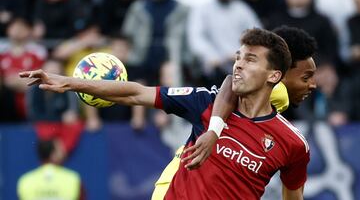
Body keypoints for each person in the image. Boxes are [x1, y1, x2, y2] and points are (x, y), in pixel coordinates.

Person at [20, 28, 307, 199]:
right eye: (237, 57)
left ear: (274, 76)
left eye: (250, 59)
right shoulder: (205, 102)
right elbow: (135, 92)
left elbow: (293, 195)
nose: (238, 65)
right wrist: (68, 82)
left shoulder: (292, 144)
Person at [152, 26, 317, 199]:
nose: (312, 84)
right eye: (305, 77)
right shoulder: (277, 93)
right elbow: (230, 85)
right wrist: (214, 130)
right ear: (279, 73)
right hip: (183, 177)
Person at [17, 139, 85, 200]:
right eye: (60, 150)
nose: (64, 152)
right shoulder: (73, 178)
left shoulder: (25, 180)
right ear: (53, 155)